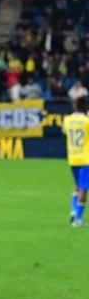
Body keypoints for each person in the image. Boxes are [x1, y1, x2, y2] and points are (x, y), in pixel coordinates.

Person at [64, 95, 89, 226]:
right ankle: (78, 220)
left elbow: (65, 135)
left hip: (73, 157)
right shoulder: (86, 121)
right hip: (86, 158)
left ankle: (73, 212)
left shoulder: (67, 119)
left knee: (77, 185)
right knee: (84, 189)